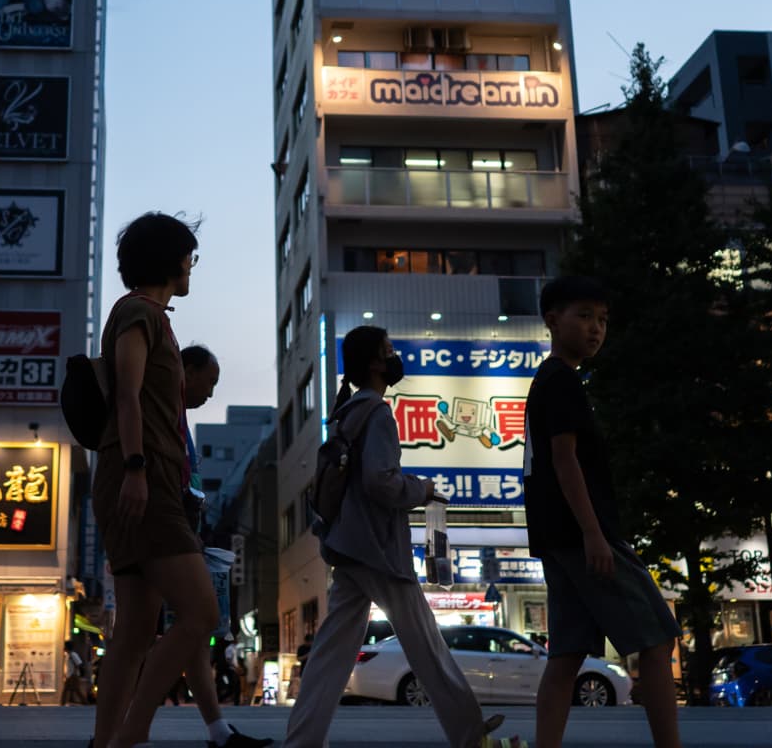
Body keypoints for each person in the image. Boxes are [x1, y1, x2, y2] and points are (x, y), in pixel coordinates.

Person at [284, 325, 505, 748]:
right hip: (378, 549)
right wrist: (421, 489)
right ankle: (470, 735)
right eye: (388, 350)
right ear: (374, 363)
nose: (395, 356)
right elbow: (380, 483)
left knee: (331, 655)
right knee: (426, 644)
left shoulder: (348, 413)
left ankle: (302, 741)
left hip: (346, 545)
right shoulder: (378, 413)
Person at [524, 277, 681, 748]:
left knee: (566, 655)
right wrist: (593, 533)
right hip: (582, 533)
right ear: (553, 321)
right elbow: (565, 459)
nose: (596, 328)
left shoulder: (545, 380)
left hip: (555, 535)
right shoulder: (563, 381)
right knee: (657, 638)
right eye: (585, 316)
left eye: (603, 320)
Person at [88, 213, 218, 748]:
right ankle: (131, 733)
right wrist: (138, 469)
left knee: (136, 630)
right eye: (189, 256)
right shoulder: (139, 312)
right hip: (143, 476)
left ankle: (105, 743)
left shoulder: (149, 315)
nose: (191, 266)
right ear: (170, 260)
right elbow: (127, 393)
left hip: (138, 474)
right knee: (201, 613)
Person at [175, 344, 270, 747]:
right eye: (210, 381)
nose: (211, 393)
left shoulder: (176, 416)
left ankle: (218, 731)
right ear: (187, 371)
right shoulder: (162, 409)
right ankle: (126, 733)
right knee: (197, 622)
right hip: (167, 533)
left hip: (181, 532)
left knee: (194, 634)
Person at [63, 640, 91, 705]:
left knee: (69, 690)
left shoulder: (73, 654)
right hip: (70, 675)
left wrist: (75, 672)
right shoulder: (68, 655)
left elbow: (79, 663)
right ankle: (84, 702)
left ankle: (63, 703)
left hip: (73, 675)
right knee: (74, 690)